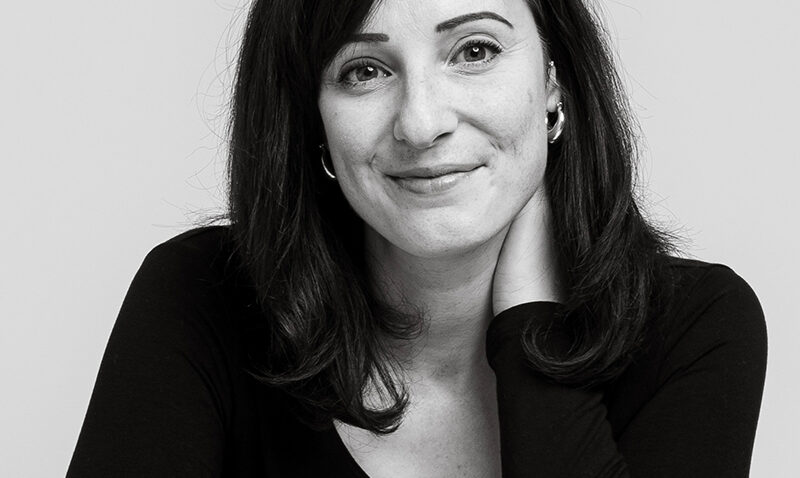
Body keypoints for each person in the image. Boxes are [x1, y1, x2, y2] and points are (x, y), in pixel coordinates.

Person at [67, 0, 768, 476]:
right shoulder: (202, 298)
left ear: (554, 80)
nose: (422, 122)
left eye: (475, 50)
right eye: (363, 71)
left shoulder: (694, 326)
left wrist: (531, 328)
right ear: (314, 121)